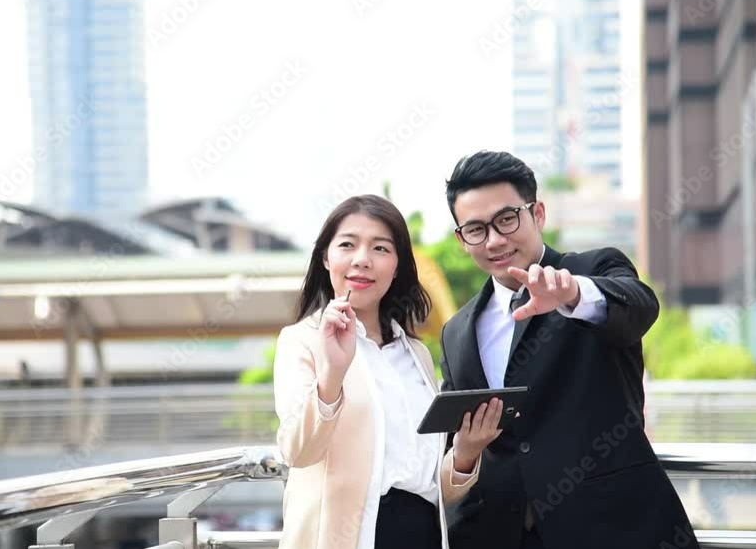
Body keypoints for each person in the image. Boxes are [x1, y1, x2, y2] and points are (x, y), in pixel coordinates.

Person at [439, 151, 701, 549]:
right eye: (476, 229)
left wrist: (574, 294)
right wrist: (464, 455)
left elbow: (640, 307)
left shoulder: (593, 271)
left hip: (614, 528)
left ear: (538, 214)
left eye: (507, 219)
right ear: (461, 239)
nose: (494, 240)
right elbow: (456, 446)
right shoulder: (457, 331)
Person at [273, 194, 504, 549]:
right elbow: (298, 452)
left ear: (397, 267)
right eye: (347, 245)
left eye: (381, 248)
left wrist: (466, 452)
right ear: (325, 257)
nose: (362, 259)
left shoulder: (416, 354)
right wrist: (332, 373)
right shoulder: (302, 341)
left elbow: (428, 488)